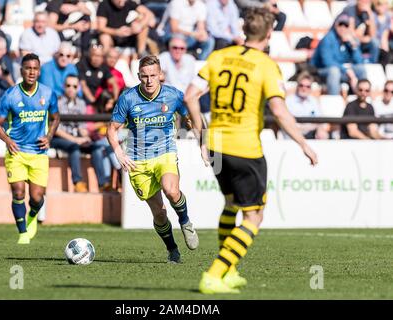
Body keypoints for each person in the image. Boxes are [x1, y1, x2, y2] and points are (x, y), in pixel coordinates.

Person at [184, 7, 318, 294]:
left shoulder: (217, 57)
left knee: (231, 203)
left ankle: (229, 272)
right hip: (245, 148)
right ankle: (215, 274)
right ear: (269, 34)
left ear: (243, 30)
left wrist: (201, 135)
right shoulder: (266, 65)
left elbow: (190, 95)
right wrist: (304, 143)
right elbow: (279, 111)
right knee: (254, 216)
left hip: (217, 146)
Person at [107, 55, 199, 263]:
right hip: (138, 161)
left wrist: (200, 136)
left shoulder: (173, 95)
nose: (148, 81)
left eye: (152, 76)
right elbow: (112, 129)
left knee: (172, 191)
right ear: (139, 76)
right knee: (159, 213)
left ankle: (185, 222)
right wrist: (119, 152)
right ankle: (172, 249)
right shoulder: (128, 98)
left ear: (161, 75)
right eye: (144, 76)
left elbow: (191, 115)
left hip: (164, 152)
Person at [0, 53, 60, 244]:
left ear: (39, 71)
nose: (31, 72)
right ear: (21, 70)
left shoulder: (47, 93)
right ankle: (22, 232)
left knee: (37, 198)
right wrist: (7, 140)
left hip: (39, 154)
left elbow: (56, 117)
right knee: (18, 192)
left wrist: (49, 136)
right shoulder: (11, 95)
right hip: (17, 152)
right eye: (28, 68)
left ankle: (32, 216)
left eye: (35, 68)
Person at [311, 14, 366, 95]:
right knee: (334, 71)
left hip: (341, 70)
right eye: (341, 24)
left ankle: (362, 98)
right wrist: (346, 70)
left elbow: (359, 61)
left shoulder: (349, 40)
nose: (343, 28)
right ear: (336, 25)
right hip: (320, 70)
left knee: (361, 69)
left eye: (346, 25)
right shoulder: (328, 38)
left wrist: (353, 46)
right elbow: (327, 62)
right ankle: (334, 101)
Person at [284, 72, 330, 139]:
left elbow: (320, 119)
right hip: (294, 134)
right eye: (301, 85)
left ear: (310, 88)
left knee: (323, 134)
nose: (304, 88)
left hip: (311, 133)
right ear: (297, 86)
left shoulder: (313, 101)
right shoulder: (289, 101)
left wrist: (319, 129)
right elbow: (288, 123)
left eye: (307, 86)